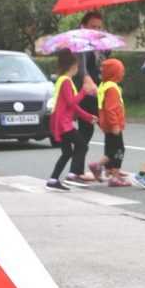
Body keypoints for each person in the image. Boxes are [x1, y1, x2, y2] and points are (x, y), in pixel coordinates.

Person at [47, 50, 97, 191]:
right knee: (82, 145)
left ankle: (53, 180)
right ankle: (72, 174)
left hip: (61, 121)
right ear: (73, 66)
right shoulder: (66, 82)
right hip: (64, 123)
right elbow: (71, 102)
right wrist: (84, 92)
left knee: (67, 152)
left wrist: (88, 116)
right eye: (77, 66)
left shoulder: (62, 80)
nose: (77, 69)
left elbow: (72, 106)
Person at [70, 11, 106, 183]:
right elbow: (81, 66)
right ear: (83, 26)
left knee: (86, 132)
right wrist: (86, 78)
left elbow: (101, 64)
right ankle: (110, 168)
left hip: (96, 91)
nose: (96, 30)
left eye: (99, 27)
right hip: (87, 93)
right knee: (109, 128)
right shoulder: (80, 43)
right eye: (93, 26)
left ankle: (75, 171)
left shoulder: (95, 43)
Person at [89, 58, 131, 187]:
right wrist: (115, 125)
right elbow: (110, 108)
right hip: (113, 125)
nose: (123, 73)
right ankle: (111, 174)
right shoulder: (112, 88)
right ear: (114, 73)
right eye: (121, 71)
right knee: (118, 150)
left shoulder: (104, 85)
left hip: (106, 124)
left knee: (110, 149)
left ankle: (108, 170)